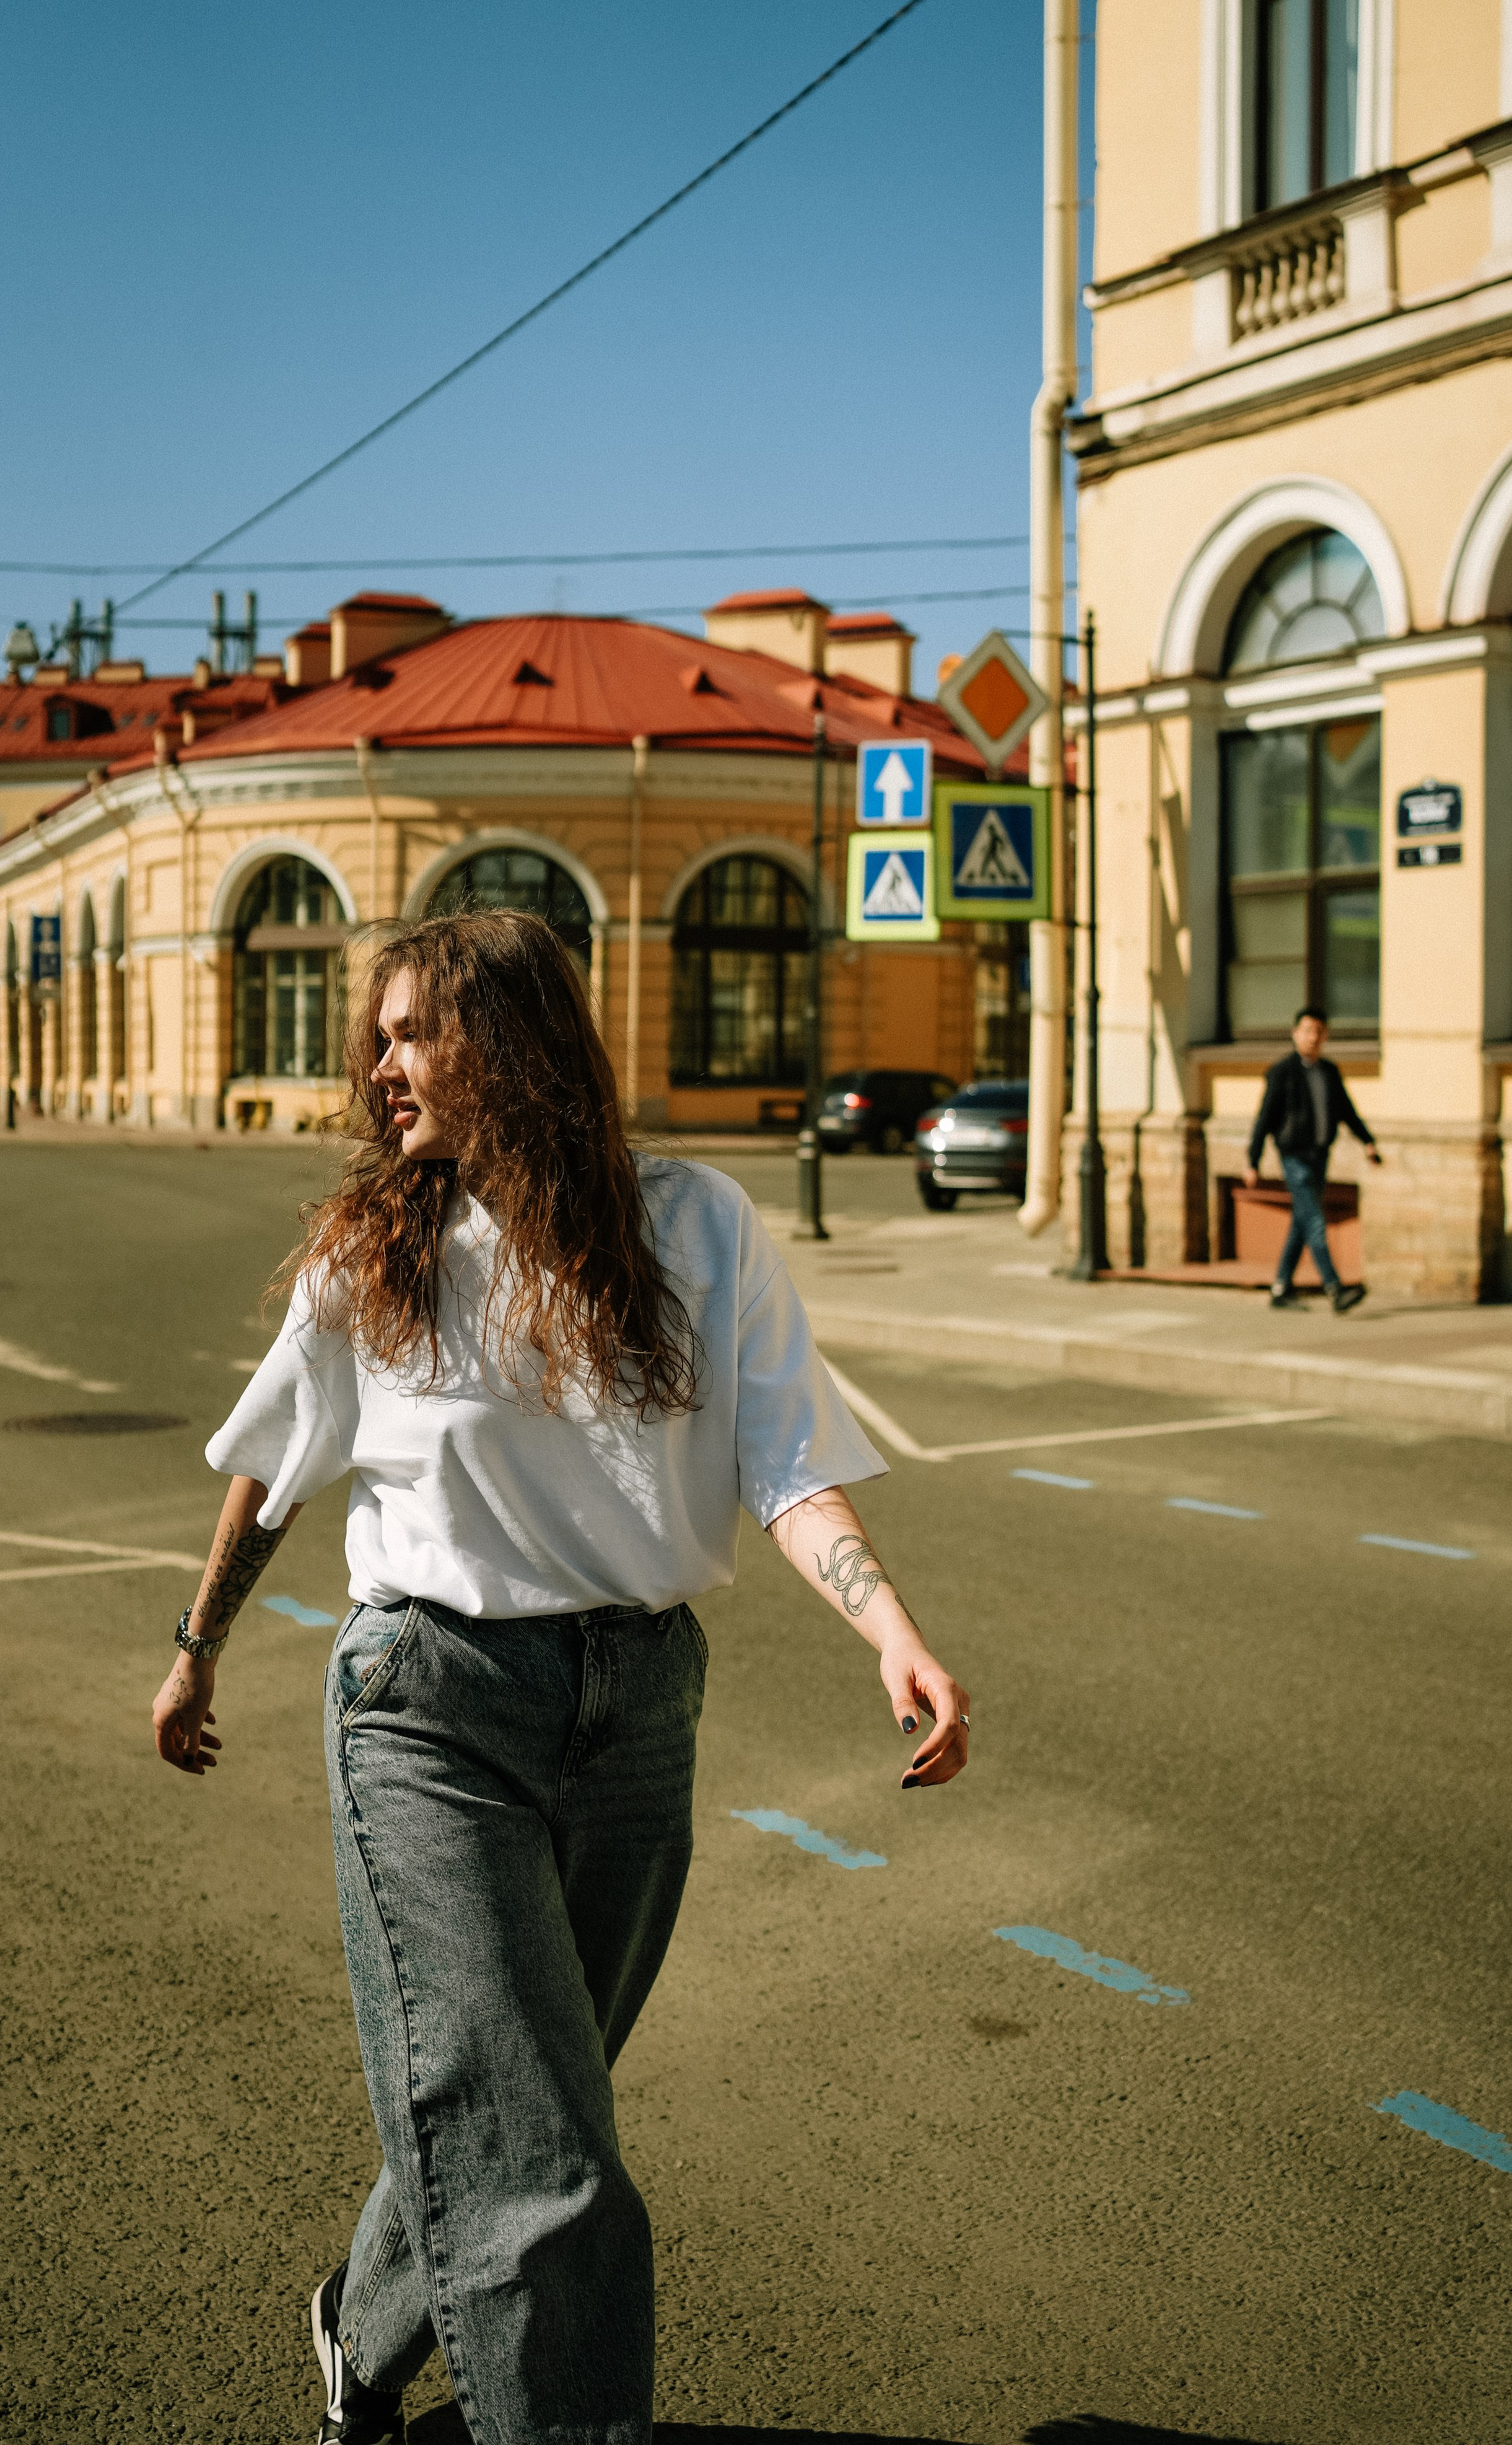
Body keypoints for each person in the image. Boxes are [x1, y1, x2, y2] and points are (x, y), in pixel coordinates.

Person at [151, 908, 969, 2445]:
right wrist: (196, 1651)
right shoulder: (374, 1250)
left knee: (532, 2091)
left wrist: (888, 1627)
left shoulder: (700, 1226)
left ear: (512, 1040)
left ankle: (362, 2327)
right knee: (541, 2157)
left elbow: (784, 1460)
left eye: (414, 1033)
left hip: (638, 1709)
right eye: (375, 1037)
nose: (381, 1066)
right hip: (426, 1709)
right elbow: (272, 1474)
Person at [1246, 1005, 1380, 1314]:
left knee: (1302, 1221)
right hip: (1293, 1157)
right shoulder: (1282, 1073)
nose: (1313, 1038)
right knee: (1315, 1220)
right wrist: (1252, 1160)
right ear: (1295, 1034)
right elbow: (1264, 1118)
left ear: (1325, 1036)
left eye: (1319, 1032)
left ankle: (1280, 1287)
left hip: (1319, 1155)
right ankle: (1334, 1288)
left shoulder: (1329, 1072)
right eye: (1307, 1031)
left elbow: (1347, 1111)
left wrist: (1368, 1141)